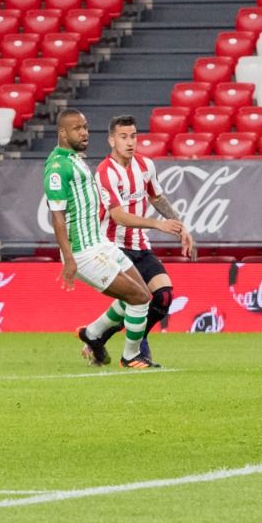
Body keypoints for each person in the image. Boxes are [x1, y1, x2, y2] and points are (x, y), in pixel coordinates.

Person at [44, 109, 156, 369]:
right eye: (77, 129)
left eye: (85, 127)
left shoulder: (75, 159)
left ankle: (92, 333)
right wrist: (69, 259)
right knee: (139, 299)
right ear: (62, 132)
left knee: (142, 295)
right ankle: (131, 356)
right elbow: (57, 217)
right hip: (83, 253)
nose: (84, 133)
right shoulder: (57, 167)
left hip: (101, 243)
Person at [85, 114, 195, 366]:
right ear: (112, 140)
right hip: (113, 247)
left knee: (164, 297)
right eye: (123, 137)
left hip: (140, 244)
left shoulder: (145, 165)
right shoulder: (105, 172)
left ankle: (99, 336)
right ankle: (130, 351)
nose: (130, 142)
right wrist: (158, 224)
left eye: (133, 136)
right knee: (138, 298)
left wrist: (180, 226)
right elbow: (118, 216)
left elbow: (156, 198)